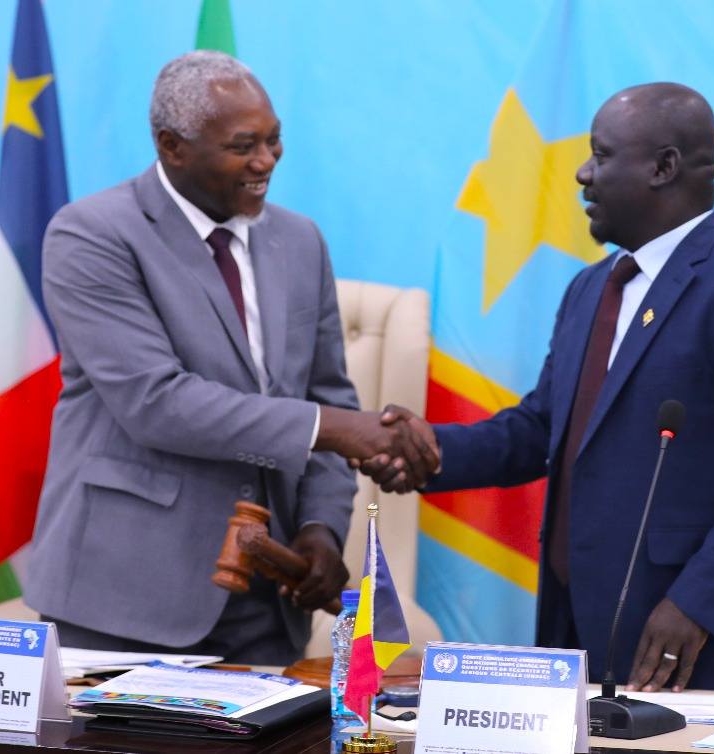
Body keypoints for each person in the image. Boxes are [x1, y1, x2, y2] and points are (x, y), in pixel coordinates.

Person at [362, 83, 714, 693]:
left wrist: (697, 603)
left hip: (706, 653)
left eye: (602, 155)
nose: (583, 174)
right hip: (582, 637)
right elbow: (542, 429)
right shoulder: (591, 288)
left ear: (664, 167)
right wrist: (427, 451)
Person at [24, 51, 437, 664]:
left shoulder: (300, 240)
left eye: (274, 140)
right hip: (125, 595)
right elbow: (156, 403)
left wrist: (320, 529)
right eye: (243, 146)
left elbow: (327, 394)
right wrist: (338, 429)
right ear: (172, 146)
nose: (266, 161)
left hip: (265, 598)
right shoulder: (92, 234)